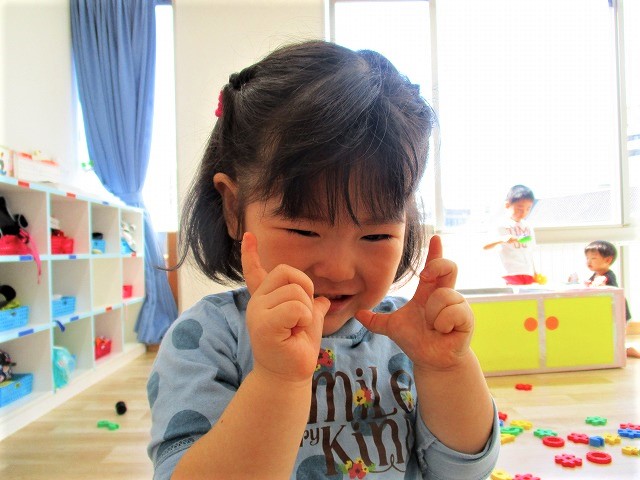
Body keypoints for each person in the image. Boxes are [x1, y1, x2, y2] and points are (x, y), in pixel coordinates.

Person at [147, 40, 500, 479]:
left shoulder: (406, 336)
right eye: (304, 230)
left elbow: (462, 471)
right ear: (234, 209)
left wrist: (446, 368)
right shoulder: (209, 338)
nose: (338, 268)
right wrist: (278, 380)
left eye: (375, 235)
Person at [584, 240, 639, 358]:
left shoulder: (608, 276)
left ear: (608, 260)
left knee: (616, 335)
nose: (589, 262)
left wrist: (601, 284)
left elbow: (611, 290)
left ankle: (628, 350)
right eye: (587, 258)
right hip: (607, 313)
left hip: (618, 312)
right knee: (606, 335)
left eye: (593, 258)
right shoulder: (595, 275)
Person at [483, 185, 538, 285]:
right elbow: (485, 246)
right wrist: (502, 239)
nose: (524, 212)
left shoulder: (528, 227)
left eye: (528, 209)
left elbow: (531, 251)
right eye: (520, 208)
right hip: (509, 274)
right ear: (507, 205)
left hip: (527, 274)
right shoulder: (500, 224)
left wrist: (535, 273)